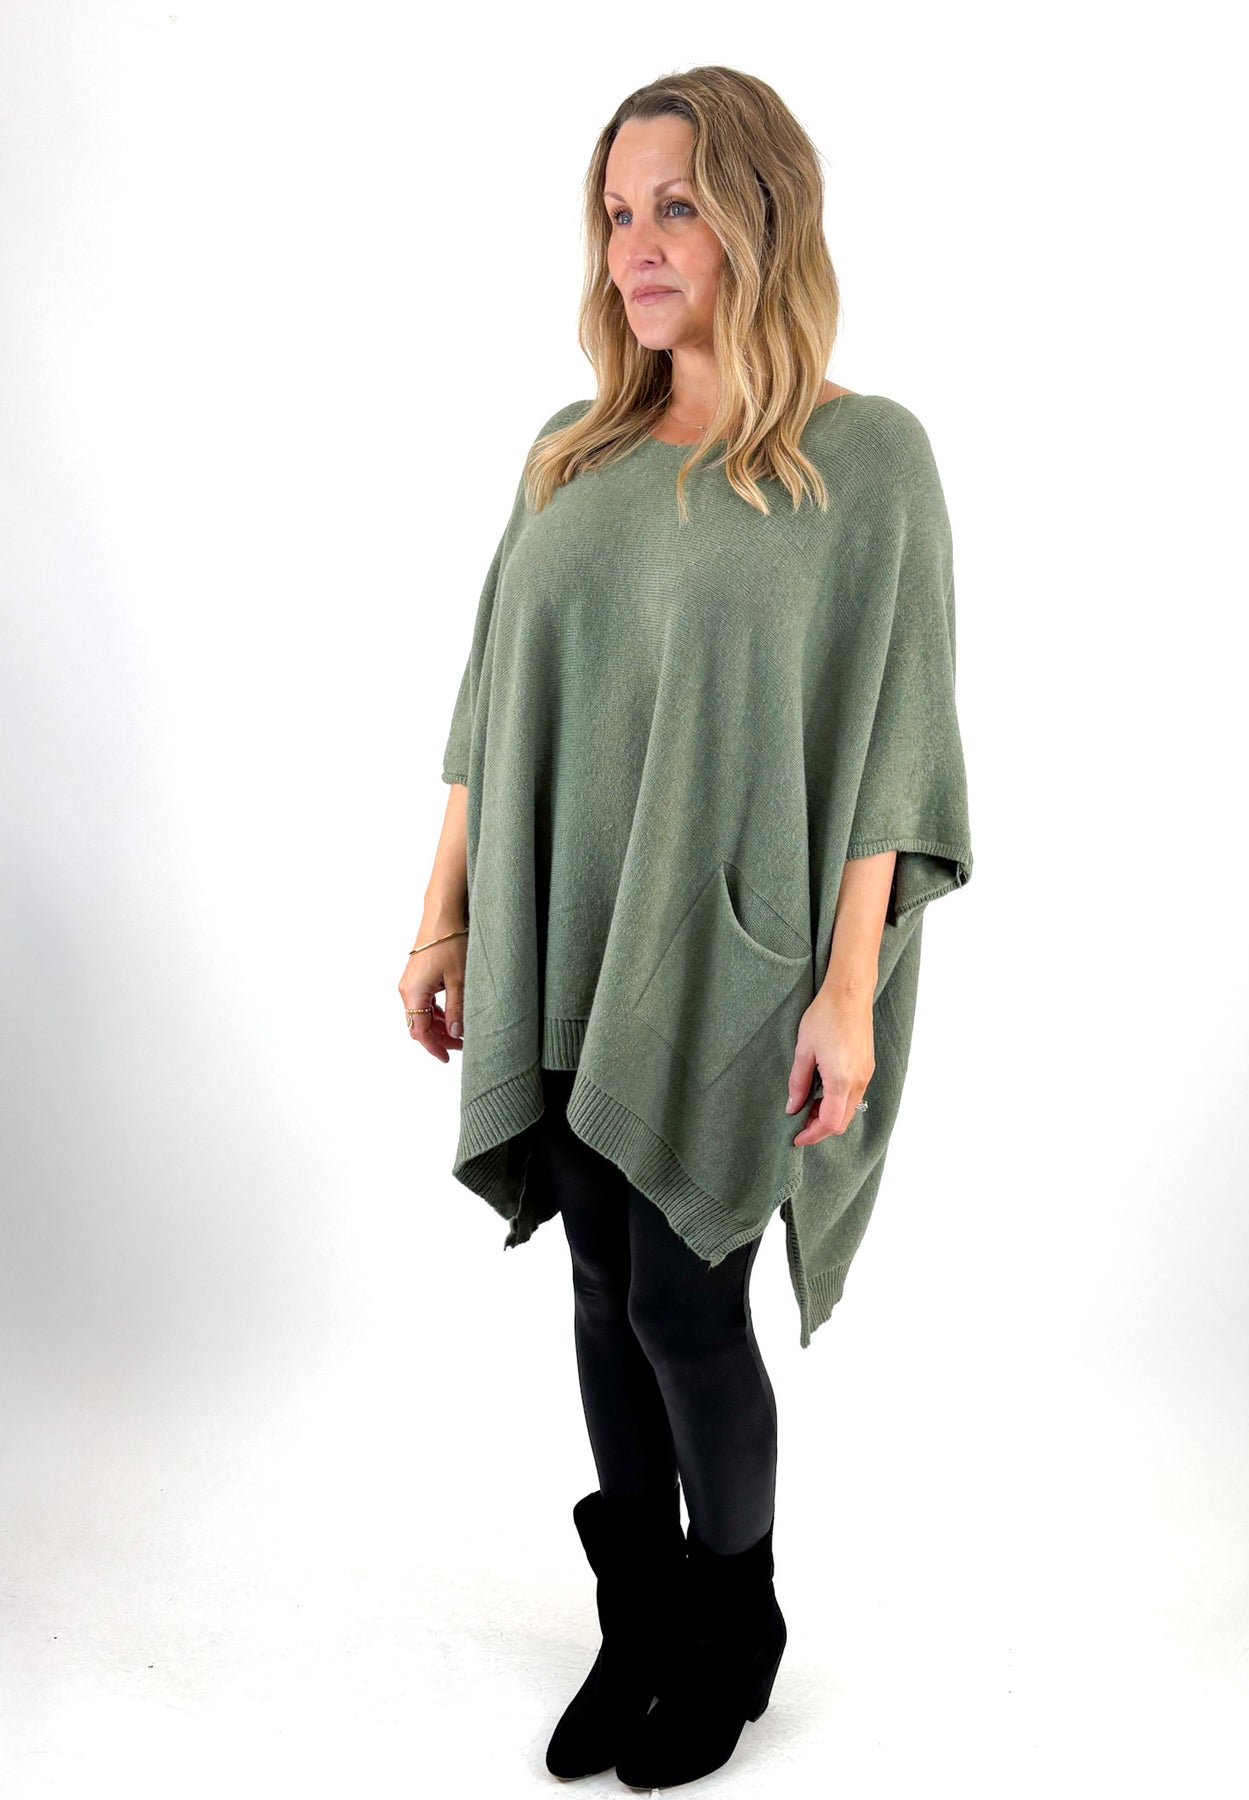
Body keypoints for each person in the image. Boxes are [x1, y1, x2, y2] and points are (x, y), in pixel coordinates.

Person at [399, 65, 973, 1792]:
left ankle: (734, 1615)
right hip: (562, 926)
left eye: (677, 207)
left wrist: (849, 991)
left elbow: (893, 747)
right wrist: (440, 917)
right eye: (617, 212)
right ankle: (636, 1615)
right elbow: (490, 706)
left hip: (732, 949)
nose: (637, 246)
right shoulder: (568, 452)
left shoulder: (864, 460)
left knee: (682, 1301)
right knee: (596, 1279)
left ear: (759, 219)